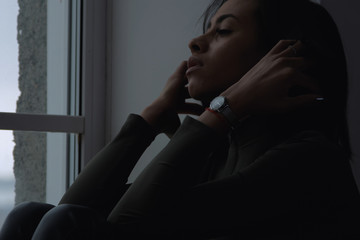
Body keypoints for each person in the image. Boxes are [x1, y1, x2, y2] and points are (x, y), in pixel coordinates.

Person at [1, 0, 359, 239]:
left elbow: (126, 229)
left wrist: (222, 110)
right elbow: (74, 210)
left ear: (278, 61)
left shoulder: (310, 160)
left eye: (223, 31)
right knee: (28, 215)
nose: (195, 43)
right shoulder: (218, 154)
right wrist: (153, 115)